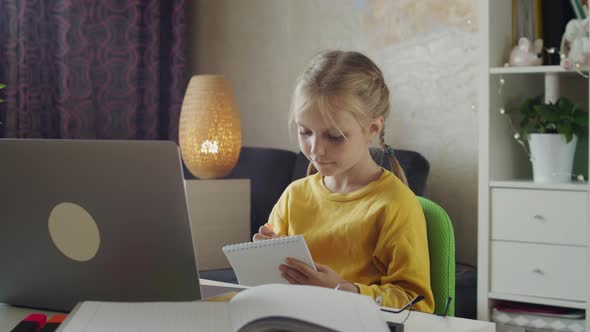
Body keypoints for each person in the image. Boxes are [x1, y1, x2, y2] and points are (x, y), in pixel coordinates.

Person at [253, 50, 434, 313]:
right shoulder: (294, 196)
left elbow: (416, 303)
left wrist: (345, 291)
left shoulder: (395, 205)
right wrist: (264, 259)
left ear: (373, 128)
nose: (316, 149)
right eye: (305, 132)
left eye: (334, 136)